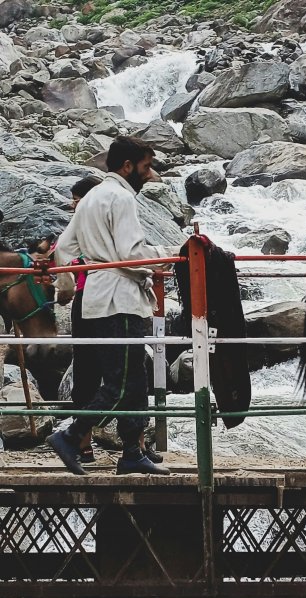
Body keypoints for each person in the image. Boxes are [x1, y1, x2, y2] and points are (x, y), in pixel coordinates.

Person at [45, 137, 174, 475]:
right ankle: (71, 435)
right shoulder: (121, 198)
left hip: (99, 297)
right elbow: (131, 256)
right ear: (128, 166)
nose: (149, 175)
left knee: (133, 381)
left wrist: (67, 286)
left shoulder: (92, 198)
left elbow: (64, 248)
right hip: (122, 298)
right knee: (122, 380)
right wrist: (164, 257)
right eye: (146, 167)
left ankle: (132, 452)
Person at [66, 176, 105, 464]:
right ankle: (82, 441)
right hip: (85, 297)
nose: (73, 204)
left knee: (123, 372)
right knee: (86, 371)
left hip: (106, 298)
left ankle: (137, 442)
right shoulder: (77, 228)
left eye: (77, 199)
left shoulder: (102, 223)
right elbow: (66, 258)